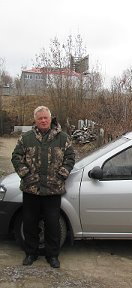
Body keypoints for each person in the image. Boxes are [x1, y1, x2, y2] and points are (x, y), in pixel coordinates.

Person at [11, 106, 75, 268]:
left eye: (45, 118)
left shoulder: (63, 138)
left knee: (53, 225)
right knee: (30, 223)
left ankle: (52, 255)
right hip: (31, 190)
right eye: (40, 118)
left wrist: (61, 175)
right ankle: (31, 253)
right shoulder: (26, 138)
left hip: (53, 190)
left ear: (50, 118)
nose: (43, 121)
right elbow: (16, 157)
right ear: (36, 120)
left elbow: (70, 158)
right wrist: (26, 175)